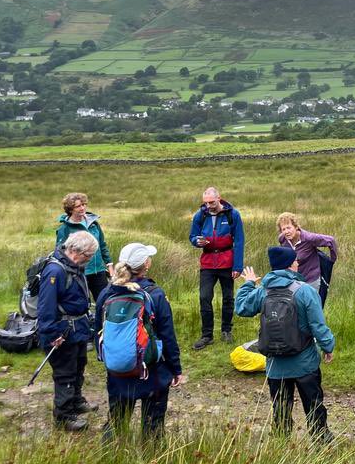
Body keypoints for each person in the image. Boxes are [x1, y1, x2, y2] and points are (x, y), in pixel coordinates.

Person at [234, 246, 335, 442]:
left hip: (275, 366)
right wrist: (328, 347)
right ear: (290, 266)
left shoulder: (263, 291)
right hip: (305, 364)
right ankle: (321, 440)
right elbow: (318, 326)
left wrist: (248, 284)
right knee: (314, 405)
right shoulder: (305, 291)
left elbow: (241, 308)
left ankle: (281, 444)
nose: (298, 263)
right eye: (295, 261)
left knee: (280, 408)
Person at [95, 242, 184, 440]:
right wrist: (175, 369)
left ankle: (110, 458)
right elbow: (167, 335)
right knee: (153, 425)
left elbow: (98, 331)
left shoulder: (107, 293)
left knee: (117, 419)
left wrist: (108, 358)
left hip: (118, 369)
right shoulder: (156, 294)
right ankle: (152, 461)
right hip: (152, 371)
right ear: (146, 264)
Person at [38, 230, 98, 432]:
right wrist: (52, 334)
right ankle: (63, 417)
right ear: (76, 251)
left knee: (79, 365)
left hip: (78, 329)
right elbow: (45, 307)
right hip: (62, 333)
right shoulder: (55, 271)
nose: (89, 260)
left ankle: (76, 402)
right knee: (65, 373)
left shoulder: (73, 266)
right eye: (88, 256)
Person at [189, 186, 244, 349]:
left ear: (219, 198)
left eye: (211, 202)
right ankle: (207, 335)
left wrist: (238, 266)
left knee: (228, 298)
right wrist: (196, 241)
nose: (208, 206)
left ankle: (226, 330)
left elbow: (239, 241)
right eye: (205, 203)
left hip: (227, 261)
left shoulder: (233, 214)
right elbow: (192, 236)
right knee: (204, 298)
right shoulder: (200, 215)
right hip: (207, 262)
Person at [56, 192, 113, 304]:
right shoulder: (65, 228)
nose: (82, 208)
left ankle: (103, 322)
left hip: (99, 271)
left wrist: (110, 266)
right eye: (78, 206)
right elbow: (60, 253)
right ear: (70, 209)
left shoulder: (94, 224)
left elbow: (102, 245)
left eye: (84, 204)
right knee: (82, 303)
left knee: (105, 302)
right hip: (79, 272)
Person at [276, 212, 337, 302]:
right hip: (294, 281)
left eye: (289, 228)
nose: (286, 231)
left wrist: (332, 260)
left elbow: (330, 241)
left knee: (310, 308)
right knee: (295, 309)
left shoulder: (308, 238)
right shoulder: (283, 239)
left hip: (311, 280)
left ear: (296, 227)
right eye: (283, 229)